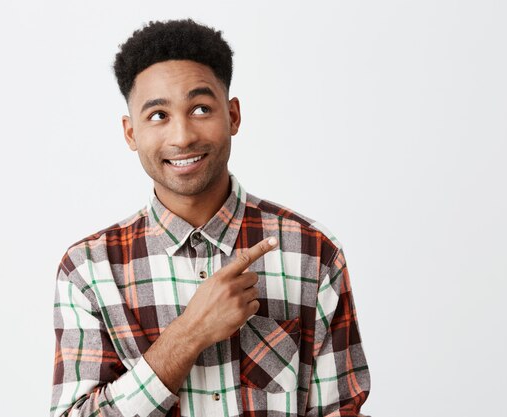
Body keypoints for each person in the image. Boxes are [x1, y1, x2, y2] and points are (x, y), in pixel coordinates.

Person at [50, 18, 370, 417]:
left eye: (200, 108)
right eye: (158, 116)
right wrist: (190, 333)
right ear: (131, 134)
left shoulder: (312, 252)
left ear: (233, 115)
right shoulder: (88, 272)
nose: (182, 136)